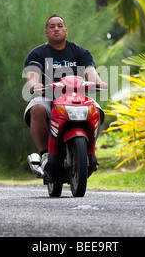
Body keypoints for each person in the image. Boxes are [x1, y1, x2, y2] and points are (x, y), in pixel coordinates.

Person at [23, 14, 107, 174]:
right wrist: (34, 84)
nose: (56, 29)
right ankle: (45, 155)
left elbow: (90, 70)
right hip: (47, 96)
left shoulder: (80, 52)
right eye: (52, 26)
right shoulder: (37, 54)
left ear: (66, 30)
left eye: (60, 26)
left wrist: (97, 82)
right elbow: (32, 74)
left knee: (95, 110)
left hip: (75, 97)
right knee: (37, 110)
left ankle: (89, 152)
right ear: (46, 32)